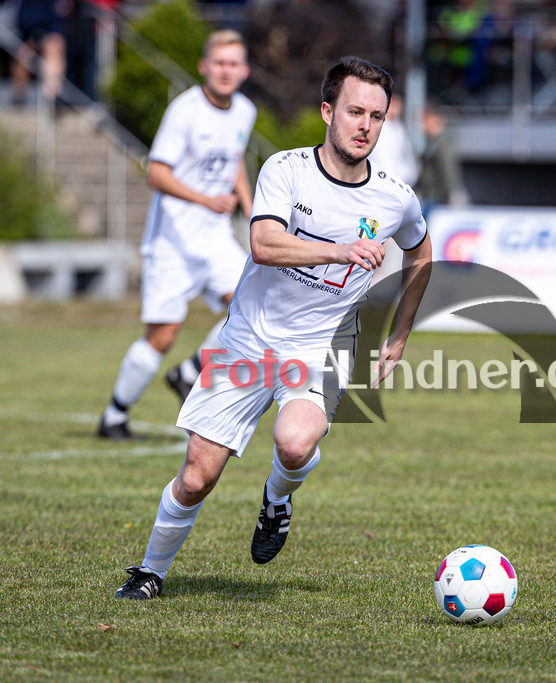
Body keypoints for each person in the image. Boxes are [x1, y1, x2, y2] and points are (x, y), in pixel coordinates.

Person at [115, 56, 433, 599]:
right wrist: (341, 250)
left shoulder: (395, 197)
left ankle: (277, 500)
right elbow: (263, 245)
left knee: (294, 441)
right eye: (355, 112)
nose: (365, 126)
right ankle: (150, 572)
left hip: (322, 345)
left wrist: (400, 335)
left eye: (376, 117)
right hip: (250, 338)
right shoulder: (285, 169)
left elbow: (420, 254)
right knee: (197, 476)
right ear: (328, 112)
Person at [97, 29, 256, 440]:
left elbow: (235, 159)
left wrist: (253, 209)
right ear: (204, 66)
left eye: (233, 63)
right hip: (172, 241)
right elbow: (156, 172)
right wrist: (205, 199)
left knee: (252, 305)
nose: (226, 71)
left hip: (216, 237)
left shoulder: (244, 111)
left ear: (245, 70)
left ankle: (190, 372)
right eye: (219, 62)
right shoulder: (185, 111)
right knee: (163, 335)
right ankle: (115, 414)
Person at [10, 0, 68, 107]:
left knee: (54, 46)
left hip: (49, 28)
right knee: (24, 54)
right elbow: (20, 20)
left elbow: (56, 21)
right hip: (27, 30)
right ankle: (18, 98)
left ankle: (52, 96)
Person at [413, 101, 465, 216]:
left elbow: (447, 167)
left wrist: (451, 194)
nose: (420, 126)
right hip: (431, 196)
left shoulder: (441, 142)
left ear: (431, 118)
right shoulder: (434, 141)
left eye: (422, 120)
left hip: (437, 198)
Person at [366, 95, 417, 186]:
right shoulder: (377, 126)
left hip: (401, 181)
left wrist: (408, 176)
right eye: (394, 106)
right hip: (380, 181)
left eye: (399, 107)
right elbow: (380, 158)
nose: (396, 110)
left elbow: (407, 155)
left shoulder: (399, 128)